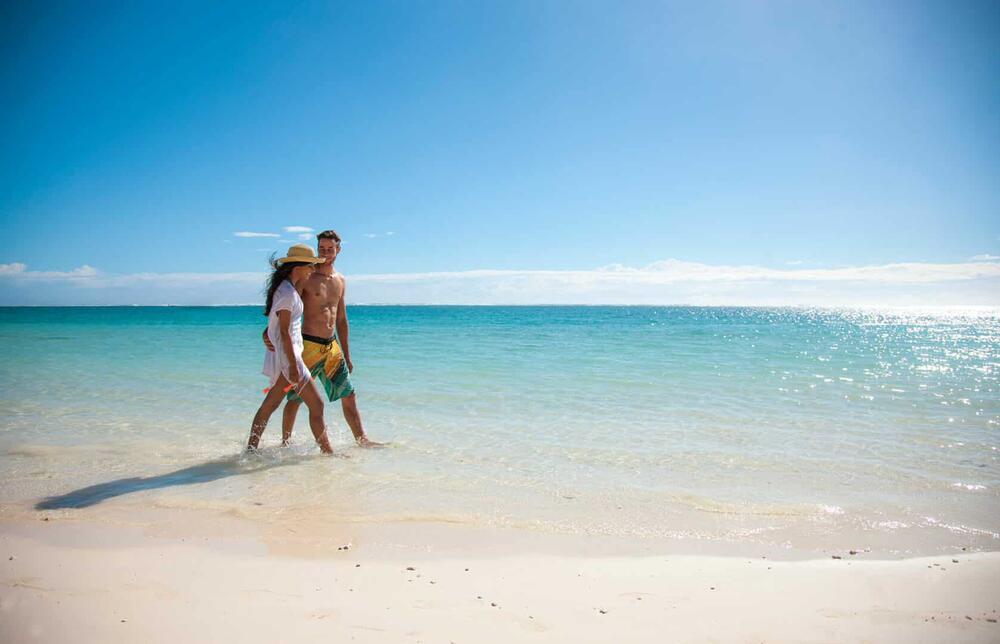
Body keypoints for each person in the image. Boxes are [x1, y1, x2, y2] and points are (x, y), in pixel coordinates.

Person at [263, 230, 382, 447]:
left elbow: (341, 320)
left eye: (330, 249)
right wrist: (267, 332)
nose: (326, 253)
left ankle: (362, 440)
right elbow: (284, 309)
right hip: (308, 344)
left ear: (338, 250)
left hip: (331, 347)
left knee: (349, 394)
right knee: (296, 399)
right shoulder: (307, 277)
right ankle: (285, 443)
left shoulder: (340, 280)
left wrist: (347, 354)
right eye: (322, 249)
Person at [247, 244, 333, 454]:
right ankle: (328, 453)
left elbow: (276, 326)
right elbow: (284, 331)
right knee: (317, 405)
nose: (312, 269)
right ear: (297, 267)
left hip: (287, 355)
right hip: (290, 356)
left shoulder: (287, 289)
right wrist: (293, 365)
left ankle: (250, 450)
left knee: (270, 404)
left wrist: (268, 336)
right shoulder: (287, 293)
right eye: (310, 266)